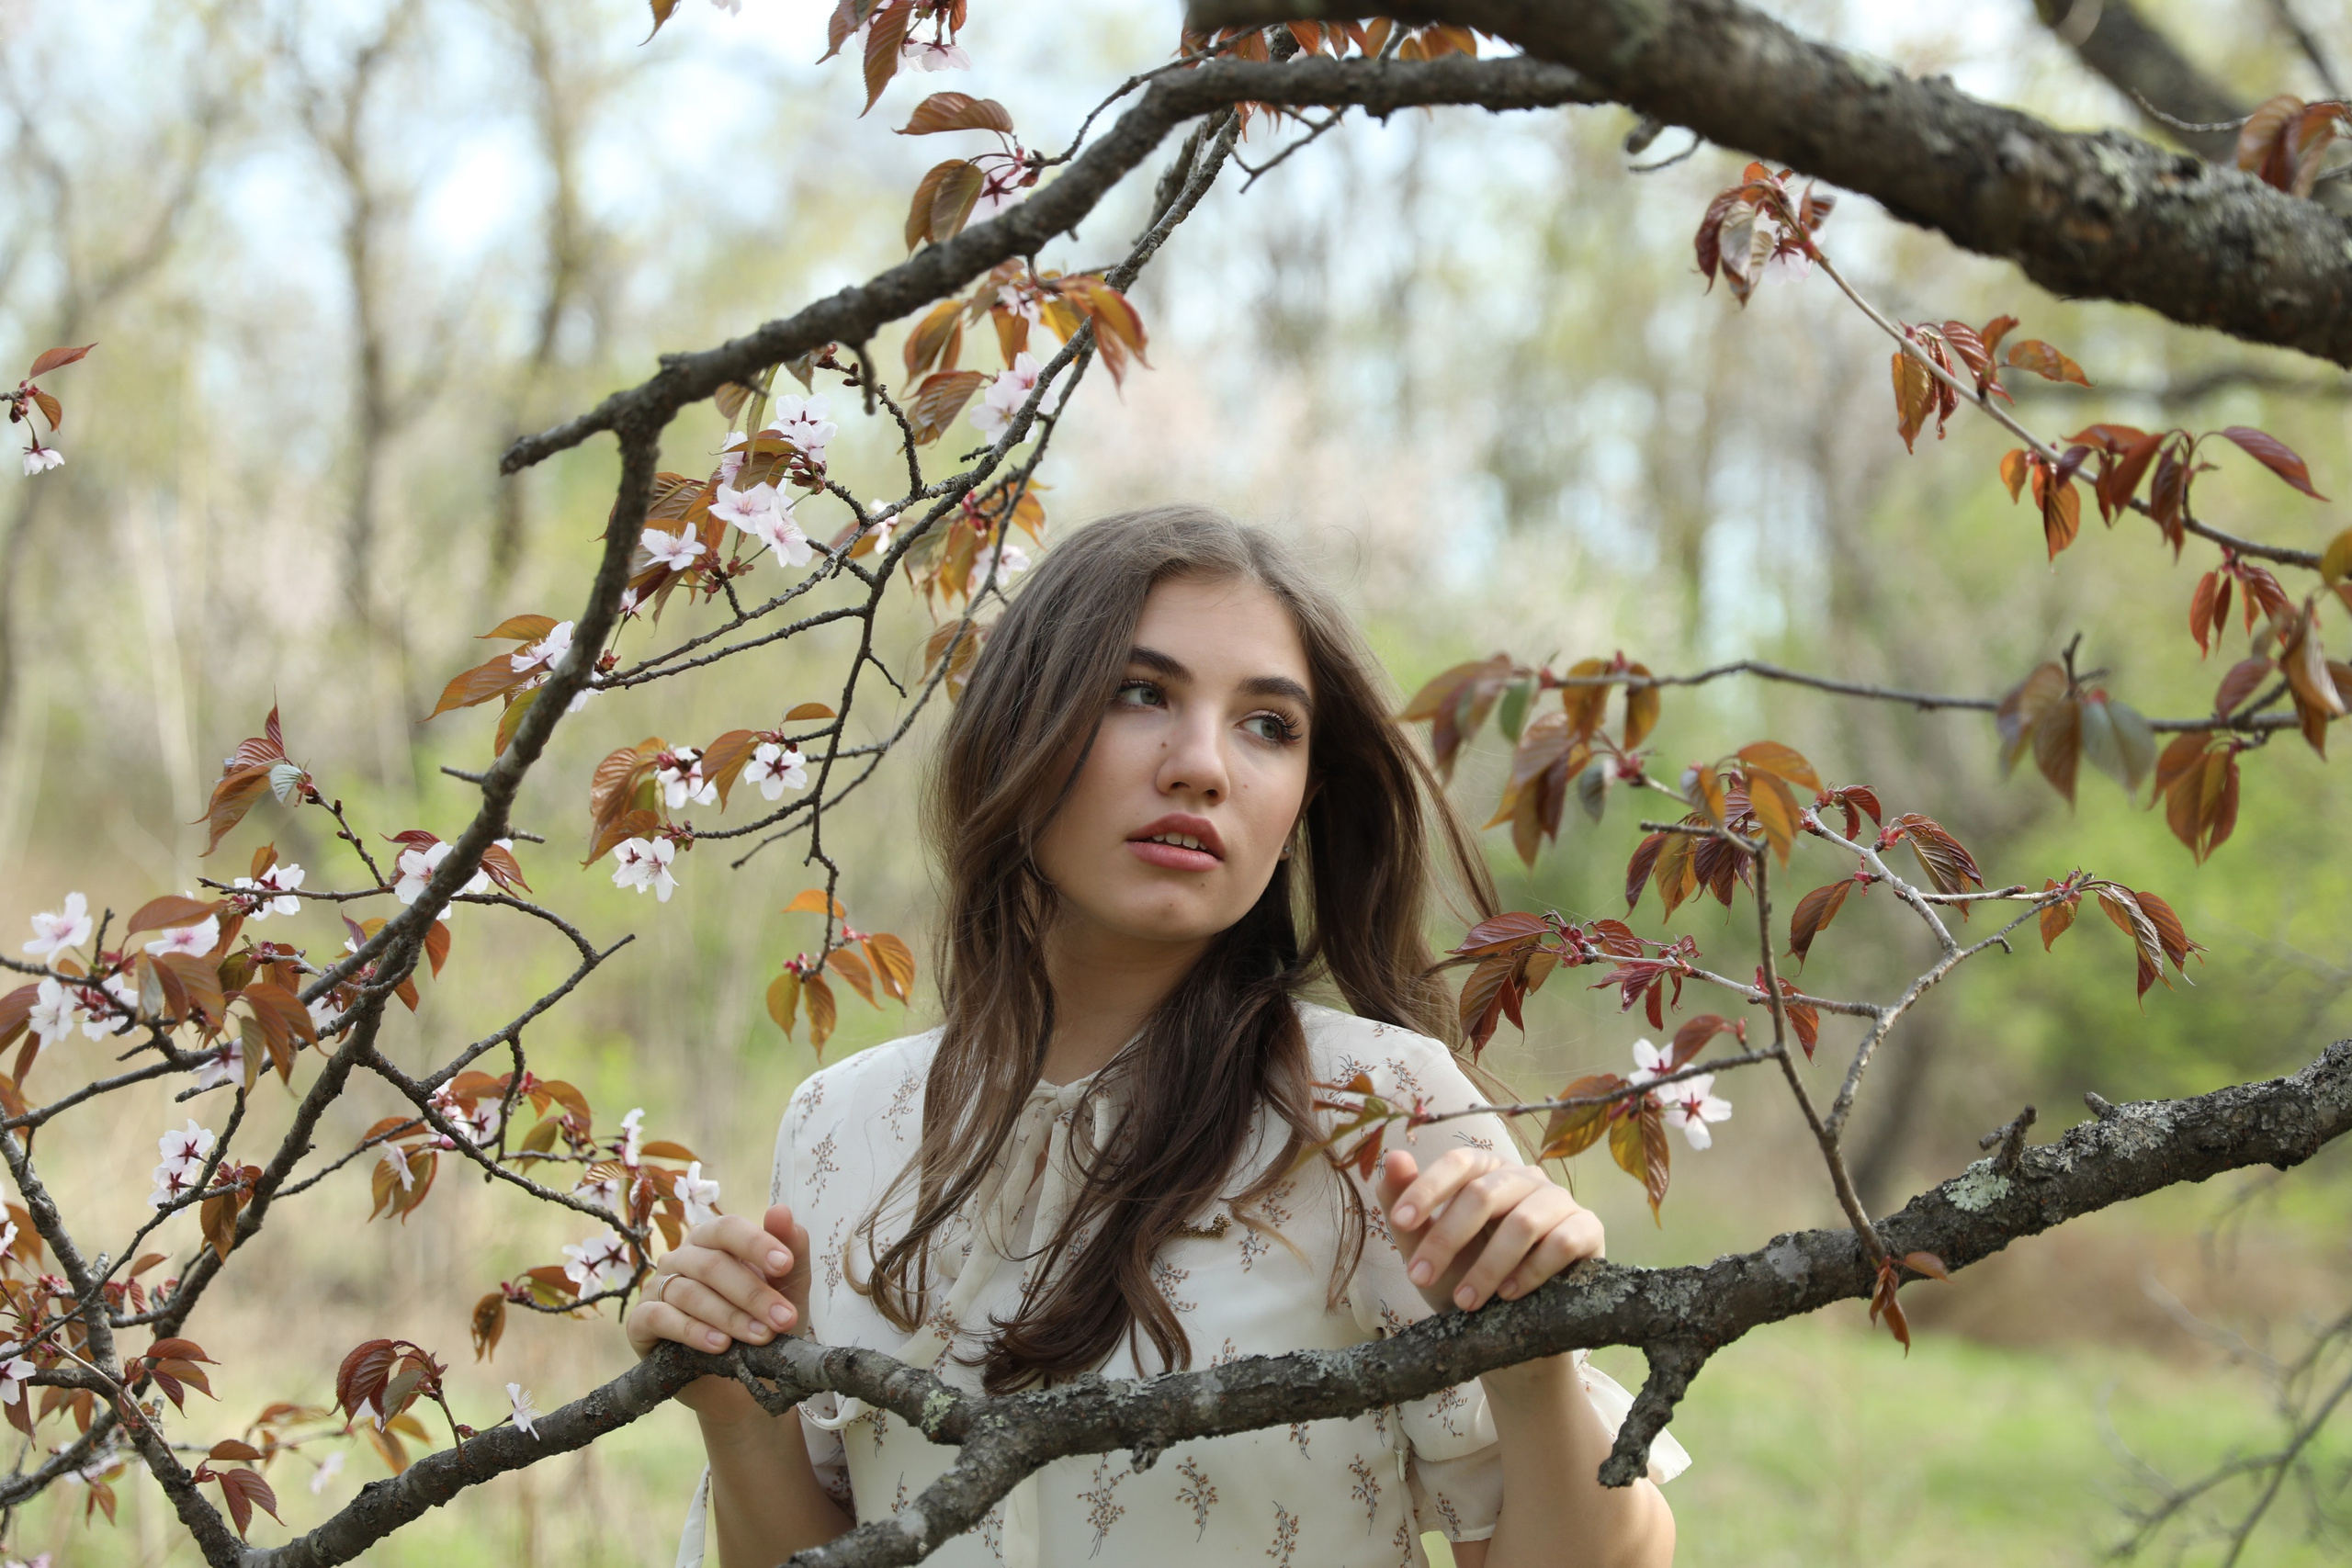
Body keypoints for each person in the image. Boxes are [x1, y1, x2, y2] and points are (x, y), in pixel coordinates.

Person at [629, 504, 1684, 1568]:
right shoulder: (839, 1122)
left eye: (1267, 725)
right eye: (1141, 694)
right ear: (1017, 729)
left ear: (1301, 802)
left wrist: (1532, 1356)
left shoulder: (1378, 1108)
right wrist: (735, 1410)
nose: (1203, 766)